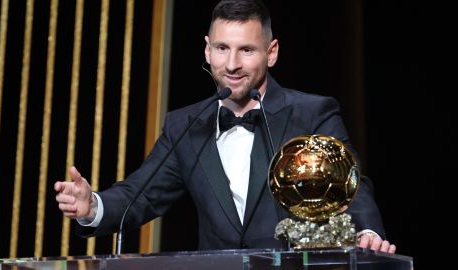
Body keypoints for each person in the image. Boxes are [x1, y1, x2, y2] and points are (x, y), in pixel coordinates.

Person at [55, 0, 396, 253]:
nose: (231, 64)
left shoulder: (311, 113)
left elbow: (351, 184)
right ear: (207, 50)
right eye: (222, 48)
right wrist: (92, 206)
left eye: (246, 50)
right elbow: (138, 196)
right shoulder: (185, 125)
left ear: (271, 52)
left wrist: (369, 233)